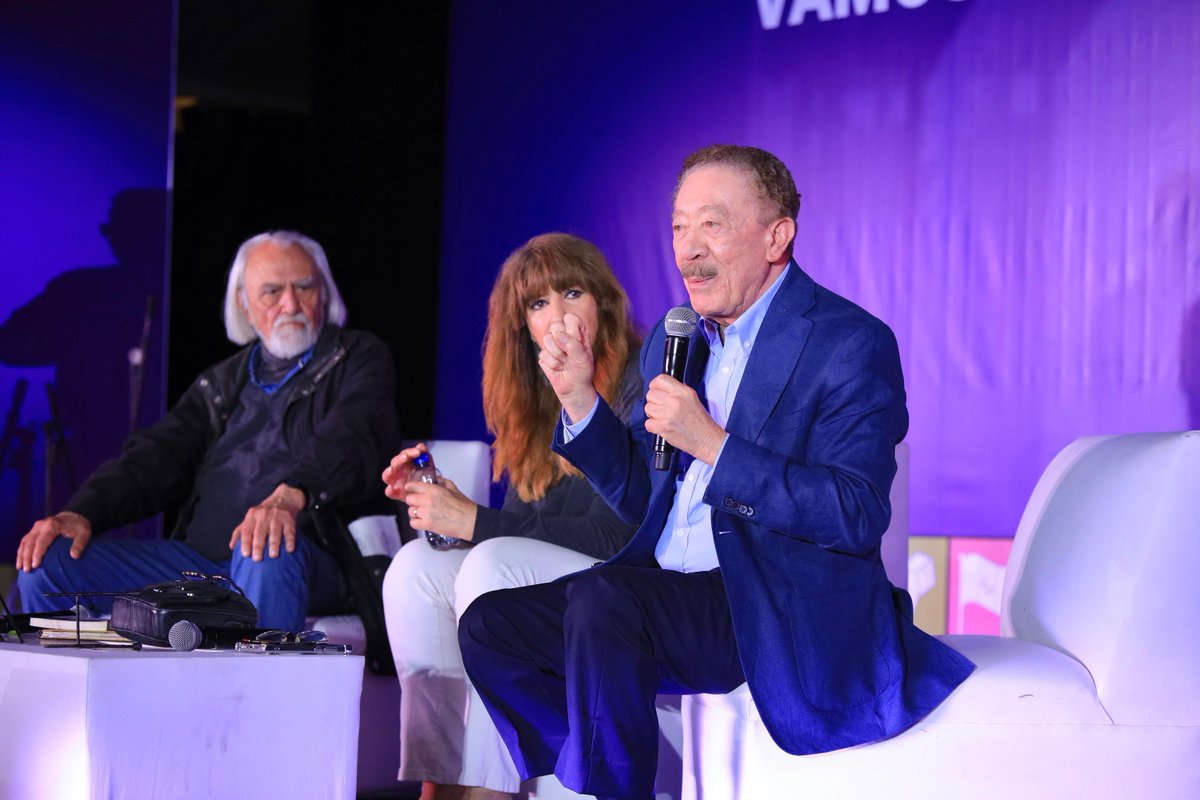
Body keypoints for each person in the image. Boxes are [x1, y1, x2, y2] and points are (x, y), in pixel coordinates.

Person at [458, 145, 976, 800]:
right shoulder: (674, 341)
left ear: (776, 237)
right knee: (489, 626)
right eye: (679, 226)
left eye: (712, 224)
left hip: (770, 599)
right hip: (666, 592)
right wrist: (580, 399)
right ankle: (599, 769)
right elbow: (643, 502)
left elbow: (854, 512)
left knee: (602, 601)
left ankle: (615, 787)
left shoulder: (847, 342)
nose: (688, 250)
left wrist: (714, 445)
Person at [16, 230, 400, 631]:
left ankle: (259, 675)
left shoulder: (357, 357)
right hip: (198, 567)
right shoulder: (222, 382)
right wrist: (82, 512)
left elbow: (352, 434)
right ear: (244, 304)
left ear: (324, 292)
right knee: (48, 562)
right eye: (272, 291)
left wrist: (291, 495)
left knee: (264, 543)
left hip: (300, 558)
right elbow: (155, 457)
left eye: (304, 286)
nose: (290, 304)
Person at [380, 233, 641, 800]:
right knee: (416, 568)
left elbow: (616, 534)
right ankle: (440, 781)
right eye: (539, 303)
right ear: (522, 325)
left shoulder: (637, 382)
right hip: (561, 581)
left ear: (602, 301)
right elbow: (528, 533)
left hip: (628, 583)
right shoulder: (534, 398)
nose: (559, 315)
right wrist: (447, 512)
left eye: (572, 293)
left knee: (491, 567)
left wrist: (475, 522)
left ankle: (487, 791)